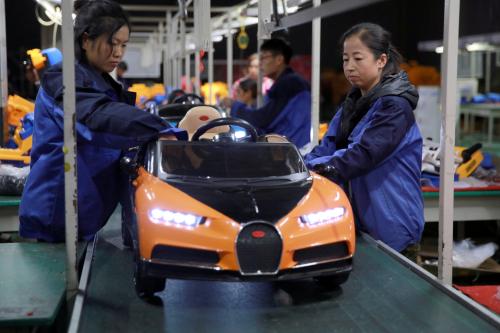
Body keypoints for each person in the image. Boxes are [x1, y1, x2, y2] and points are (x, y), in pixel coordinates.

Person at [19, 0, 186, 242]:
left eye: (123, 45)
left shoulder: (100, 82)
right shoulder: (64, 80)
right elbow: (98, 119)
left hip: (81, 216)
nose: (118, 52)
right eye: (112, 43)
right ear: (86, 40)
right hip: (55, 220)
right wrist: (165, 129)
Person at [304, 23, 424, 254]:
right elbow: (326, 146)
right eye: (345, 59)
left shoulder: (394, 108)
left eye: (358, 58)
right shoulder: (352, 104)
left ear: (381, 60)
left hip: (392, 224)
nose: (349, 67)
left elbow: (363, 154)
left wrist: (316, 169)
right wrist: (300, 165)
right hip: (360, 221)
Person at [227, 38, 312, 152]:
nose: (260, 62)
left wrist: (236, 106)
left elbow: (264, 119)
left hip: (290, 150)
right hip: (288, 146)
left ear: (279, 59)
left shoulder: (289, 83)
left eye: (264, 58)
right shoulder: (290, 81)